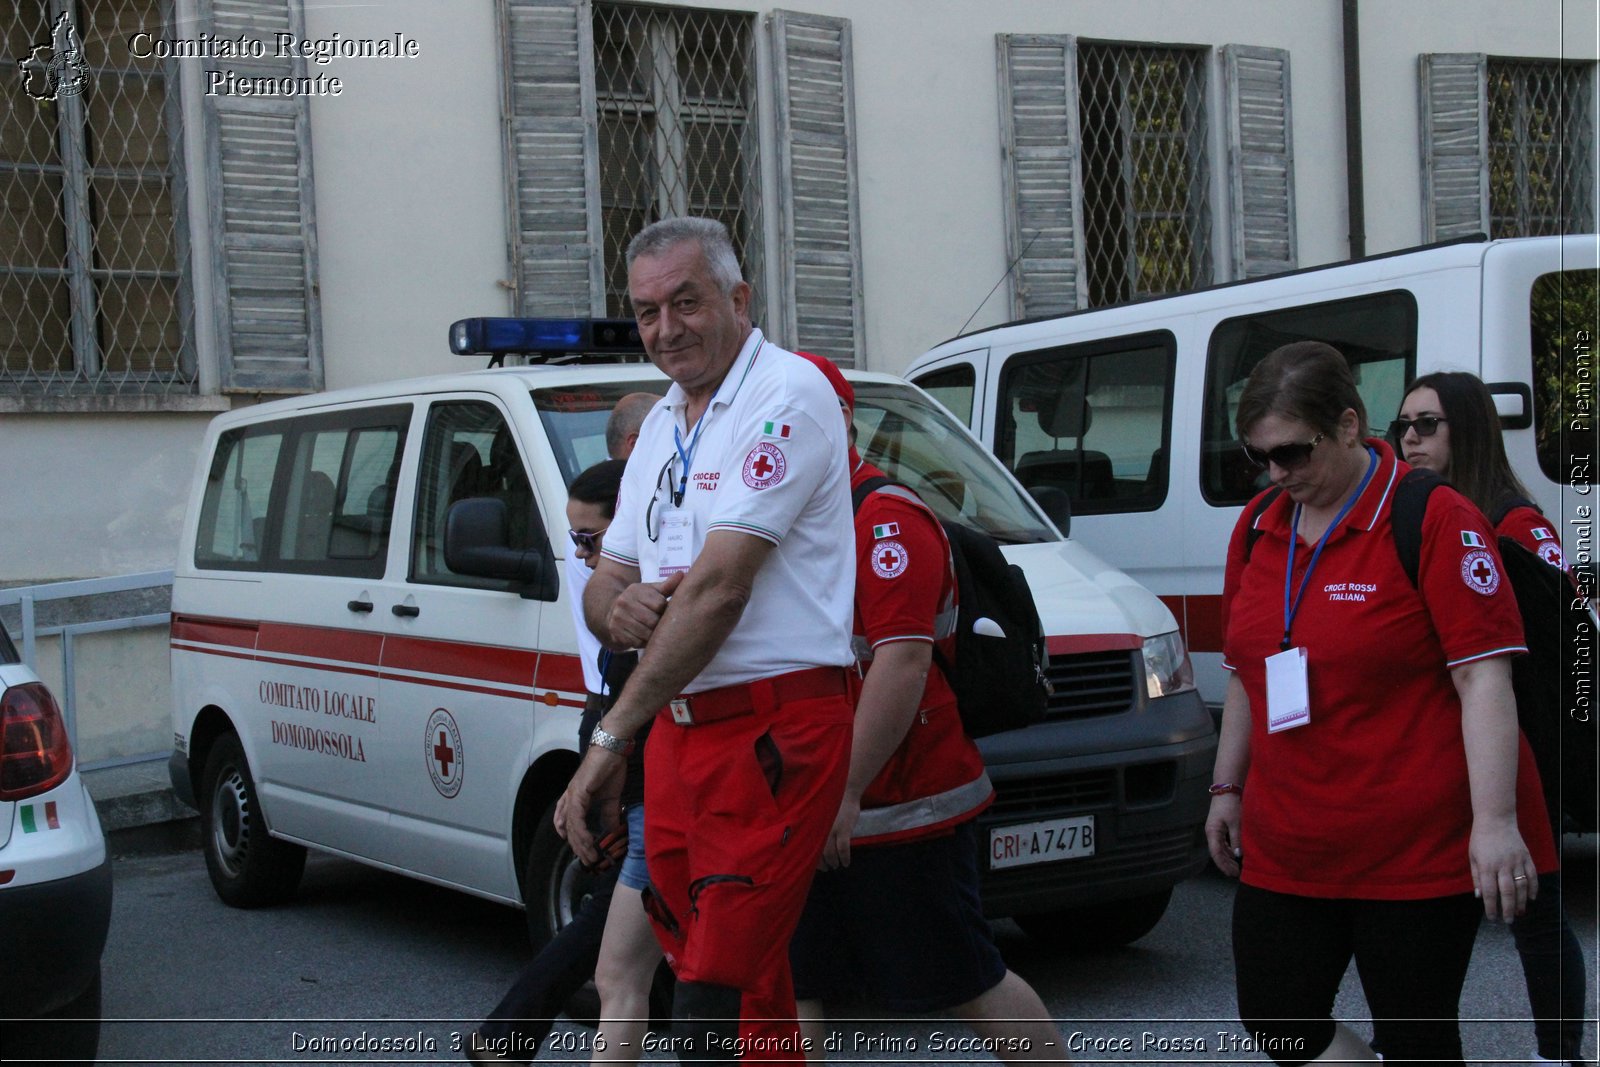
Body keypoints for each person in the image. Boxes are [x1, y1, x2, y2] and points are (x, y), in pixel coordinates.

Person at [1204, 340, 1558, 1067]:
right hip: (1289, 843)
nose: (1277, 473)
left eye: (1294, 452)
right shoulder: (1260, 524)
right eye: (1260, 456)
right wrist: (1225, 784)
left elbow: (1482, 678)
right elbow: (1247, 670)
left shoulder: (1430, 516)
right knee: (1275, 1012)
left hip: (1411, 852)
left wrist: (1494, 823)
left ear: (1346, 424)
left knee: (1419, 1038)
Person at [556, 216, 856, 1064]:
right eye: (647, 311)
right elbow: (606, 577)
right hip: (684, 731)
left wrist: (610, 737)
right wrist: (616, 609)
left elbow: (719, 589)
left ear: (739, 298)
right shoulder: (659, 424)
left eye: (685, 302)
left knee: (709, 999)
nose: (665, 328)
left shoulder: (786, 394)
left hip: (772, 729)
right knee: (737, 983)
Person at [785, 352, 1065, 1063]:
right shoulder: (790, 519)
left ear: (839, 420)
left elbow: (902, 663)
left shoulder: (885, 521)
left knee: (967, 979)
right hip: (813, 802)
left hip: (903, 808)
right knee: (792, 980)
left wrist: (842, 789)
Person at [1395, 371, 1587, 1067]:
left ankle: (1557, 1053)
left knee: (1535, 912)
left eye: (1427, 425)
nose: (1409, 439)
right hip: (1444, 750)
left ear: (1467, 430)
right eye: (1403, 425)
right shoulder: (1426, 514)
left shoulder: (1512, 519)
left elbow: (1569, 635)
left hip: (1519, 745)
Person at [471, 397, 664, 1066]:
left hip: (626, 724)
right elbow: (620, 676)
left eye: (589, 540)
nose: (580, 557)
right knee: (621, 908)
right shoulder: (612, 578)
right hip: (616, 721)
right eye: (575, 540)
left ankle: (510, 1030)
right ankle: (510, 1029)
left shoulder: (652, 562)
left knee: (623, 920)